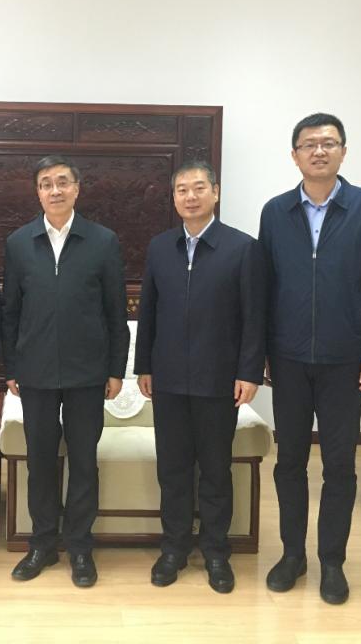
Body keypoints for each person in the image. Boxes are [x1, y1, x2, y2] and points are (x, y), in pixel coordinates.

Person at [259, 112, 361, 605]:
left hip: (344, 360)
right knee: (289, 461)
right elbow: (265, 287)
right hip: (288, 359)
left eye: (329, 143)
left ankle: (332, 561)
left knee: (339, 465)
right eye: (309, 144)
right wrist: (262, 353)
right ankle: (292, 555)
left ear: (343, 151)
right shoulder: (276, 212)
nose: (319, 151)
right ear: (294, 155)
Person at [134, 161, 266, 594]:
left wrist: (249, 372)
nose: (190, 196)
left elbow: (254, 317)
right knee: (172, 469)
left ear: (215, 192)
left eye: (198, 188)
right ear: (174, 198)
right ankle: (173, 548)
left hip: (218, 380)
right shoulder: (160, 247)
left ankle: (215, 552)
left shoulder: (242, 248)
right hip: (169, 379)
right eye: (181, 190)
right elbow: (148, 311)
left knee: (214, 470)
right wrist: (144, 366)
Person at [2, 155, 129, 588]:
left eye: (62, 182)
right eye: (45, 183)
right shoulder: (20, 242)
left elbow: (115, 310)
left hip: (87, 373)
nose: (54, 190)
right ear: (37, 192)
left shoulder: (102, 241)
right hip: (35, 372)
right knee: (40, 462)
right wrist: (11, 366)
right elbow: (10, 312)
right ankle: (42, 544)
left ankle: (79, 547)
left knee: (84, 462)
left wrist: (116, 369)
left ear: (77, 188)